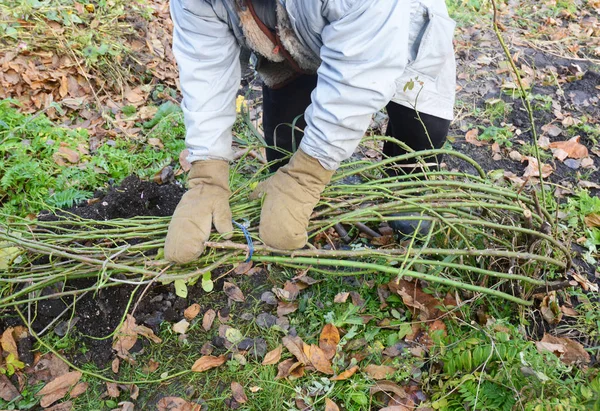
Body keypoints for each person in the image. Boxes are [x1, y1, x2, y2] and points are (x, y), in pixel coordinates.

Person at [164, 0, 457, 264]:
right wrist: (207, 174)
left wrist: (307, 173)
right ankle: (317, 197)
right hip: (292, 41)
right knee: (283, 148)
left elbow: (361, 74)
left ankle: (406, 191)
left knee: (418, 135)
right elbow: (204, 70)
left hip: (399, 30)